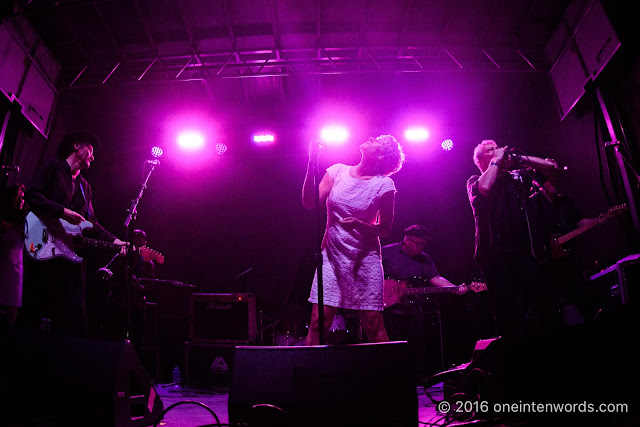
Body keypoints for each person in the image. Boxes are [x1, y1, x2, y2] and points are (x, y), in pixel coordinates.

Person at [21, 131, 126, 337]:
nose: (93, 157)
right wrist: (62, 211)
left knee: (73, 310)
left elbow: (90, 224)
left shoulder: (85, 187)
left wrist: (115, 240)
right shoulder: (53, 167)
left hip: (67, 252)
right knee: (34, 305)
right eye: (91, 150)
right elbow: (32, 195)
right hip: (40, 245)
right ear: (77, 146)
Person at [302, 135, 405, 345]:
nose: (370, 138)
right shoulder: (337, 171)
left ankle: (390, 374)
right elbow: (309, 203)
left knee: (372, 322)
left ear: (381, 156)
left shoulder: (384, 184)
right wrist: (311, 162)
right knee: (317, 321)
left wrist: (359, 224)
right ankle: (309, 373)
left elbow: (384, 229)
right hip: (332, 258)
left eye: (376, 141)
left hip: (365, 260)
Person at [467, 140, 561, 337]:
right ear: (481, 160)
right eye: (491, 150)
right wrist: (497, 161)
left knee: (545, 303)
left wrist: (518, 158)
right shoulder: (475, 180)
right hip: (495, 256)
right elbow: (485, 188)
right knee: (507, 314)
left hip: (525, 251)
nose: (498, 151)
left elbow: (551, 167)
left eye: (497, 148)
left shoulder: (515, 178)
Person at [382, 225, 466, 381]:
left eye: (422, 244)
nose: (419, 247)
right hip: (389, 312)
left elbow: (436, 279)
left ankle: (418, 384)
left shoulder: (425, 258)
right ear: (406, 239)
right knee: (393, 348)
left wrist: (454, 288)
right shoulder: (386, 252)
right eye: (416, 243)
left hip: (413, 311)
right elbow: (370, 274)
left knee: (417, 348)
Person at [0, 184, 27, 330]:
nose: (21, 201)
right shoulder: (5, 220)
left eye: (23, 198)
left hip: (15, 270)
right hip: (4, 265)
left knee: (11, 313)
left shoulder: (24, 219)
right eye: (19, 198)